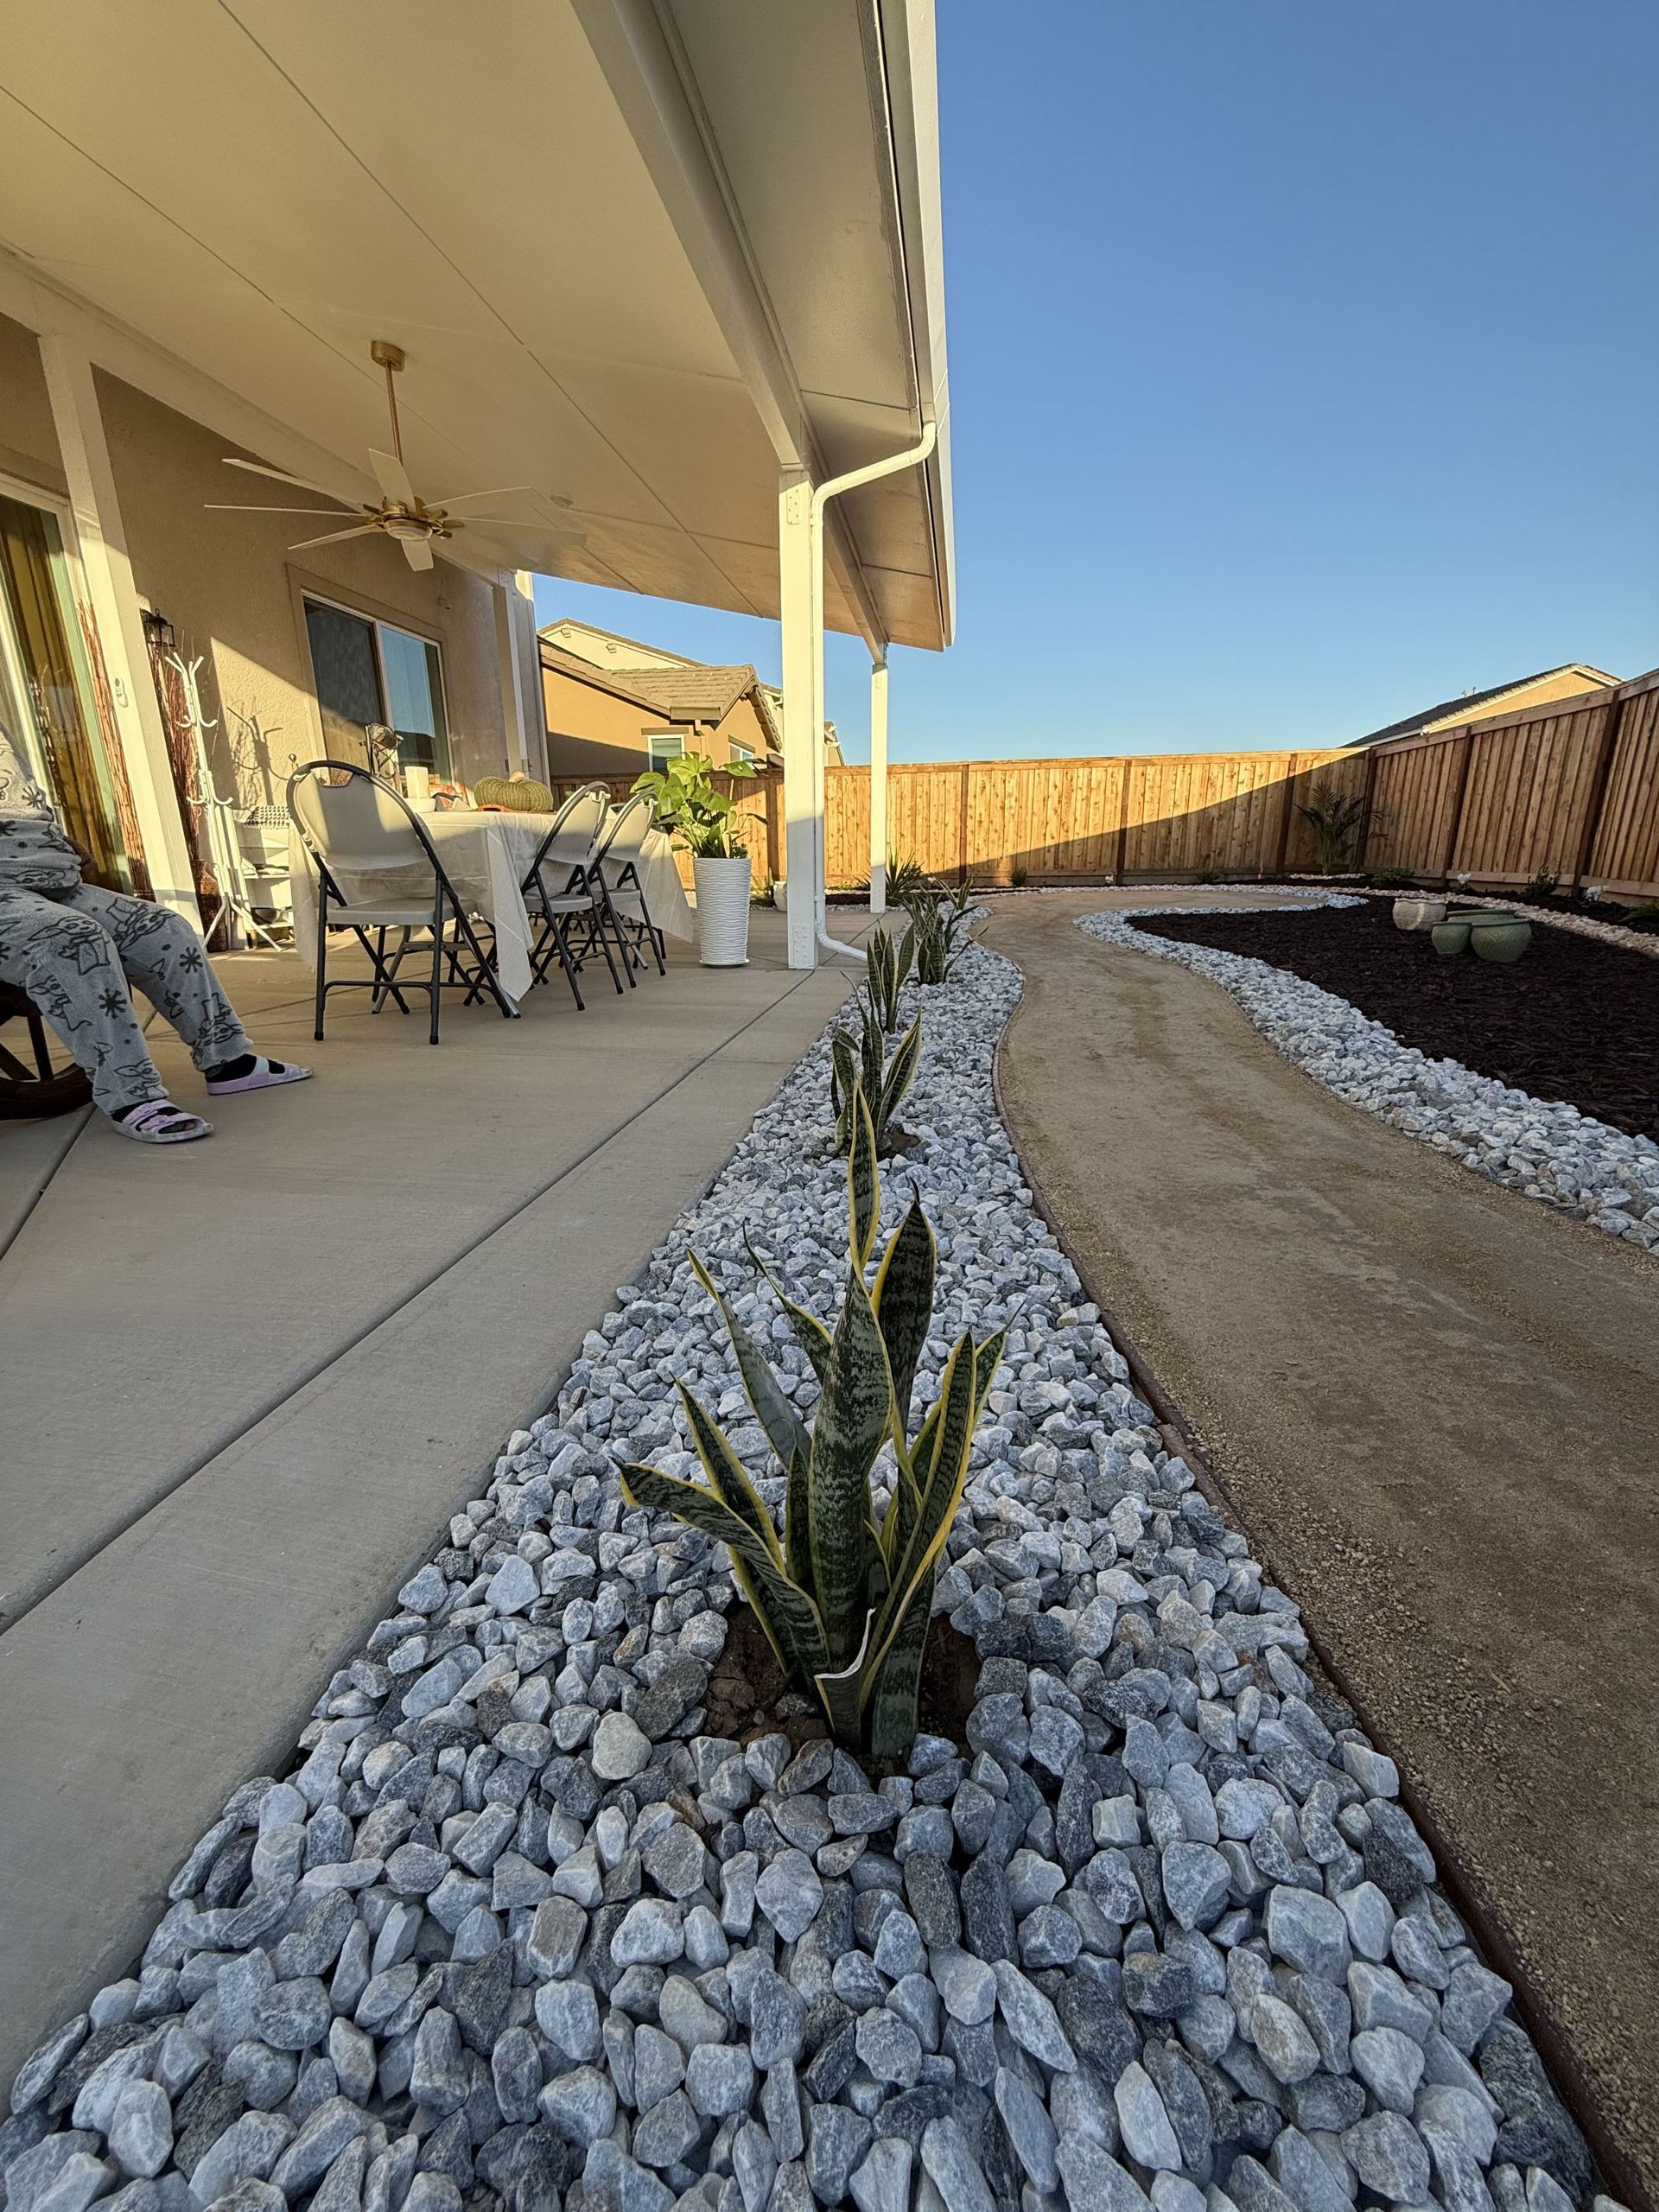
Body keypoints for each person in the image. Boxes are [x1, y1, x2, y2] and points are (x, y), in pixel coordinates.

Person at [0, 721, 310, 1143]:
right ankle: (131, 1095)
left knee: (163, 927)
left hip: (44, 871)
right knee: (71, 940)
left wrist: (58, 840)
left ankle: (228, 1062)